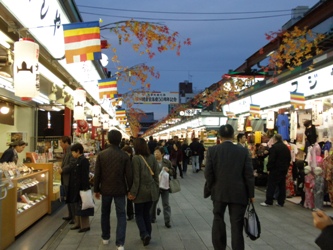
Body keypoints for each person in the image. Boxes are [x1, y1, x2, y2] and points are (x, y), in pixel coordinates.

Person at [204, 124, 254, 250]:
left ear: (219, 136)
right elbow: (248, 174)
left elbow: (208, 173)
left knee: (218, 218)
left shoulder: (213, 150)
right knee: (236, 224)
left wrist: (211, 187)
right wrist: (251, 194)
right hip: (239, 192)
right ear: (234, 136)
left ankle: (219, 247)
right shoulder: (243, 151)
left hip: (219, 191)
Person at [94, 130, 133, 249]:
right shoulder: (124, 155)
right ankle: (120, 243)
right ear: (120, 140)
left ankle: (105, 237)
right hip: (120, 190)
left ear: (109, 140)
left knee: (105, 213)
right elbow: (129, 175)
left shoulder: (101, 155)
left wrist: (96, 189)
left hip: (105, 189)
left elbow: (97, 174)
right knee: (121, 215)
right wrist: (129, 189)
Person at [128, 138, 159, 246]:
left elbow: (136, 178)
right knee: (146, 214)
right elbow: (156, 174)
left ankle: (144, 234)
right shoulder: (152, 157)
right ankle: (148, 234)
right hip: (151, 190)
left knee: (139, 214)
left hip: (140, 191)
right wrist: (156, 187)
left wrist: (132, 193)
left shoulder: (136, 159)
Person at [65, 143, 92, 233]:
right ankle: (78, 223)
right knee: (78, 205)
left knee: (83, 206)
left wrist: (84, 188)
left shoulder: (83, 161)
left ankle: (85, 225)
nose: (72, 154)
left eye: (73, 152)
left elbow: (84, 175)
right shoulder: (77, 160)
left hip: (81, 187)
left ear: (78, 151)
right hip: (76, 187)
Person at [260, 134, 292, 207]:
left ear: (275, 139)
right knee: (282, 185)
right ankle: (281, 202)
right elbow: (288, 159)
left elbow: (271, 159)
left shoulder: (274, 148)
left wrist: (269, 168)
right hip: (283, 169)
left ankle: (269, 201)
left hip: (275, 169)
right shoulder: (286, 148)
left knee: (271, 185)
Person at [150, 146, 174, 228]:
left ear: (162, 154)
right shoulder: (152, 162)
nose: (156, 154)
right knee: (153, 202)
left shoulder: (167, 162)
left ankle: (167, 221)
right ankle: (152, 217)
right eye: (154, 153)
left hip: (165, 186)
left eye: (157, 153)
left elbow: (173, 172)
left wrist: (169, 170)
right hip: (155, 185)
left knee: (166, 203)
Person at [58, 136, 77, 223]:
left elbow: (72, 164)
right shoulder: (67, 151)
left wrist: (63, 169)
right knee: (68, 198)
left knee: (71, 198)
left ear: (66, 143)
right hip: (66, 178)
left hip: (69, 178)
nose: (60, 145)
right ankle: (70, 215)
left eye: (61, 143)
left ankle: (74, 217)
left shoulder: (71, 151)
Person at [122, 145, 135, 221]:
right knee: (127, 199)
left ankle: (130, 213)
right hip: (124, 182)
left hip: (131, 182)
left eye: (127, 153)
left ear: (130, 153)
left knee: (130, 199)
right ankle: (129, 213)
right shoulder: (122, 160)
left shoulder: (133, 161)